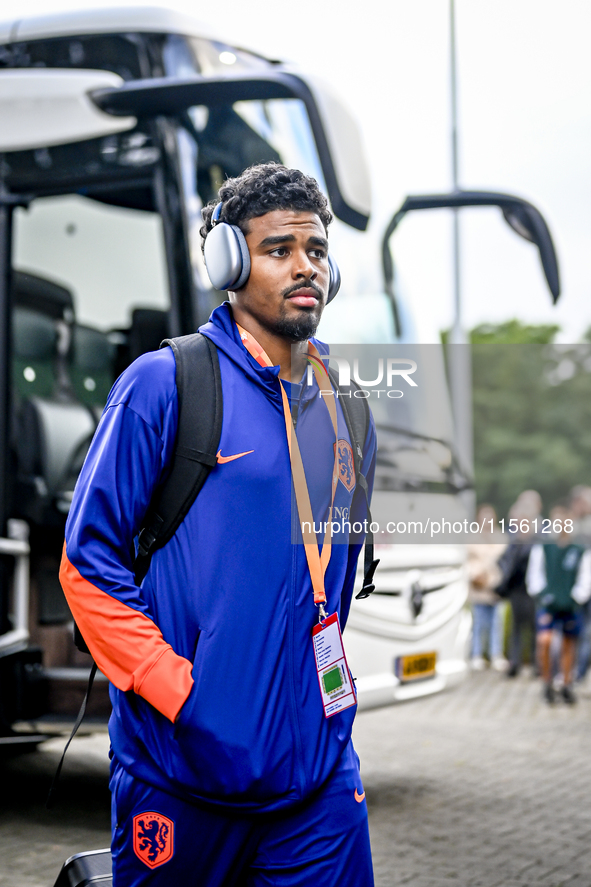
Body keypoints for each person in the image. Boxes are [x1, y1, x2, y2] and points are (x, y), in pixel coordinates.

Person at [59, 163, 377, 886]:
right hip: (181, 775)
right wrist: (184, 695)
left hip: (318, 780)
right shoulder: (164, 384)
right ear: (229, 262)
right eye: (278, 249)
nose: (306, 267)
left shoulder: (348, 407)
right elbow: (87, 565)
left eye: (317, 250)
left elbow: (329, 573)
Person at [526, 502, 591, 704]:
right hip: (548, 604)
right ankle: (547, 681)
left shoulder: (579, 550)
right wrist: (543, 594)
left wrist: (576, 597)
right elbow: (535, 576)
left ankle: (565, 683)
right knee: (544, 641)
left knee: (567, 645)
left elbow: (585, 577)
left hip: (569, 605)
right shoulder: (544, 548)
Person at [496, 492, 541, 677]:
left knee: (533, 627)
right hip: (516, 589)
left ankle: (536, 664)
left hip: (531, 590)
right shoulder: (514, 541)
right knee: (516, 627)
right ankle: (515, 664)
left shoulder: (537, 541)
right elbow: (505, 562)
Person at [467, 504, 507, 671]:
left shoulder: (500, 538)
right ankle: (476, 655)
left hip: (495, 588)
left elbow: (502, 561)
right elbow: (468, 563)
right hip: (478, 588)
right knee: (478, 623)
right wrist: (476, 575)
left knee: (496, 624)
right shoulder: (472, 538)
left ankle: (495, 654)